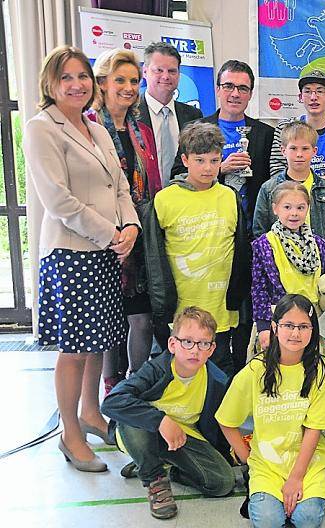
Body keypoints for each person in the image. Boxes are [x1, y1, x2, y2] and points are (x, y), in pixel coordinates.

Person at [24, 45, 140, 472]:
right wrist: (111, 233)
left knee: (98, 342)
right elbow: (58, 200)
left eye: (83, 76)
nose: (77, 85)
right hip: (71, 254)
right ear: (50, 84)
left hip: (106, 251)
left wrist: (131, 227)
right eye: (66, 77)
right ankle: (69, 433)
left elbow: (120, 186)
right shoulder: (42, 128)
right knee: (74, 349)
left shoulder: (96, 128)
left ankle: (91, 413)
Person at [217, 294, 325, 528]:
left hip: (309, 463)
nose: (295, 333)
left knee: (307, 519)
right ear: (274, 327)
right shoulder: (256, 370)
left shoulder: (323, 371)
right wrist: (248, 460)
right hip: (267, 464)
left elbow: (314, 430)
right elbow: (226, 420)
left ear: (313, 330)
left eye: (303, 326)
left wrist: (296, 478)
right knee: (268, 521)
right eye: (288, 325)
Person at [101, 306, 235, 520]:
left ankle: (161, 465)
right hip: (143, 432)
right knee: (134, 416)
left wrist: (226, 456)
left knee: (222, 483)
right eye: (187, 341)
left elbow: (219, 425)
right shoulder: (155, 370)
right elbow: (112, 402)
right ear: (173, 344)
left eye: (203, 344)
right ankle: (155, 479)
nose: (195, 350)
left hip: (182, 437)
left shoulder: (218, 381)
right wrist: (161, 421)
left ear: (211, 349)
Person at [143, 122, 250, 378]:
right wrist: (161, 307)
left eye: (214, 160)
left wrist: (238, 298)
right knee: (180, 372)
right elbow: (153, 259)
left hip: (220, 306)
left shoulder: (230, 196)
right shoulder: (164, 200)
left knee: (219, 370)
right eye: (199, 160)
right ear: (185, 160)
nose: (208, 168)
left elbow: (241, 250)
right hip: (180, 305)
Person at [86, 48, 161, 393]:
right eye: (120, 80)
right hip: (100, 235)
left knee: (141, 319)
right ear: (102, 83)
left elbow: (152, 181)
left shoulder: (142, 129)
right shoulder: (86, 126)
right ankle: (110, 385)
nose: (129, 88)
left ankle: (134, 386)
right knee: (108, 322)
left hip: (139, 235)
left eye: (134, 80)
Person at [252, 180, 325, 350]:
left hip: (314, 319)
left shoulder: (318, 243)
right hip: (280, 319)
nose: (294, 213)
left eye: (300, 207)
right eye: (287, 207)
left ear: (308, 209)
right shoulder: (264, 245)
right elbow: (259, 289)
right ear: (275, 209)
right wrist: (263, 327)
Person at [171, 60, 274, 220]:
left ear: (250, 94)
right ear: (217, 89)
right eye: (228, 86)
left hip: (252, 225)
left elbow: (272, 183)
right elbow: (178, 175)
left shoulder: (266, 134)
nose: (235, 94)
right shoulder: (194, 130)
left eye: (243, 88)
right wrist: (219, 169)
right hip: (206, 221)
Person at [252, 120, 325, 273]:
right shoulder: (268, 189)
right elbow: (259, 232)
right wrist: (269, 270)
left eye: (305, 148)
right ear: (283, 151)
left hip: (319, 268)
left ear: (314, 151)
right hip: (280, 269)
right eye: (293, 148)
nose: (299, 154)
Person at [269, 70, 325, 202]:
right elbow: (276, 178)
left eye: (320, 91)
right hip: (289, 208)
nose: (314, 97)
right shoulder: (284, 129)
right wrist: (324, 182)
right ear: (300, 97)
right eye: (308, 91)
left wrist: (298, 183)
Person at [138, 41, 203, 187]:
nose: (166, 76)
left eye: (172, 71)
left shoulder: (194, 116)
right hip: (143, 198)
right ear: (145, 72)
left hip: (184, 196)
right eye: (159, 70)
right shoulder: (130, 115)